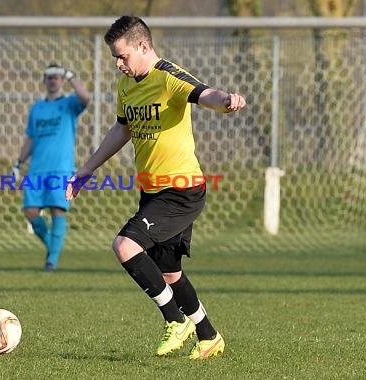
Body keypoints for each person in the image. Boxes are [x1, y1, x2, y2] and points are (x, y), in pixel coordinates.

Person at [66, 16, 246, 358]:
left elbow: (202, 92)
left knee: (125, 245)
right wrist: (87, 169)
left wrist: (226, 100)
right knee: (170, 272)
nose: (119, 64)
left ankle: (175, 321)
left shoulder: (168, 76)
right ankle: (209, 337)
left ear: (143, 46)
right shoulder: (127, 85)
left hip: (182, 191)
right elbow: (122, 130)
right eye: (115, 58)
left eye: (123, 56)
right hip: (153, 191)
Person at [13, 63, 90, 272]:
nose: (53, 80)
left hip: (61, 169)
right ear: (44, 80)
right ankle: (52, 248)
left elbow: (86, 97)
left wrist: (72, 75)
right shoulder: (37, 108)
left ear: (62, 81)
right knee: (30, 211)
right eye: (50, 77)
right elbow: (30, 138)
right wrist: (19, 162)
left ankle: (51, 262)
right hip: (37, 168)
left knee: (58, 210)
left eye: (57, 77)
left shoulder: (69, 104)